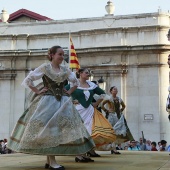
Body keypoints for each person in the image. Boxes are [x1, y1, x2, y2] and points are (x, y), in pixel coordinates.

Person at [7, 46, 95, 170]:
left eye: (63, 54)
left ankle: (50, 161)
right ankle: (52, 162)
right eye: (60, 54)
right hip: (47, 102)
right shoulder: (45, 68)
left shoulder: (65, 70)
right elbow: (28, 80)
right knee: (49, 130)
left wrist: (68, 92)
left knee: (58, 130)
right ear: (52, 55)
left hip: (63, 103)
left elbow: (75, 83)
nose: (62, 56)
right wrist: (37, 91)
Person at [65, 68, 116, 160]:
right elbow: (63, 93)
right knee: (78, 131)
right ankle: (78, 154)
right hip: (77, 110)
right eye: (86, 72)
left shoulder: (92, 85)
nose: (88, 74)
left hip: (89, 110)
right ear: (80, 73)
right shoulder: (73, 84)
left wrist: (96, 104)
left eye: (89, 73)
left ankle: (84, 154)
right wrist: (71, 101)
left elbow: (103, 94)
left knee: (88, 132)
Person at [101, 86, 134, 154]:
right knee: (112, 131)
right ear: (111, 91)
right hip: (111, 116)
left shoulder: (119, 99)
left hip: (117, 116)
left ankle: (114, 148)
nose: (115, 90)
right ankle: (113, 148)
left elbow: (124, 106)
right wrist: (107, 111)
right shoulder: (109, 98)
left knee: (116, 131)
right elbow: (102, 105)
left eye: (116, 89)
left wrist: (120, 111)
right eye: (114, 89)